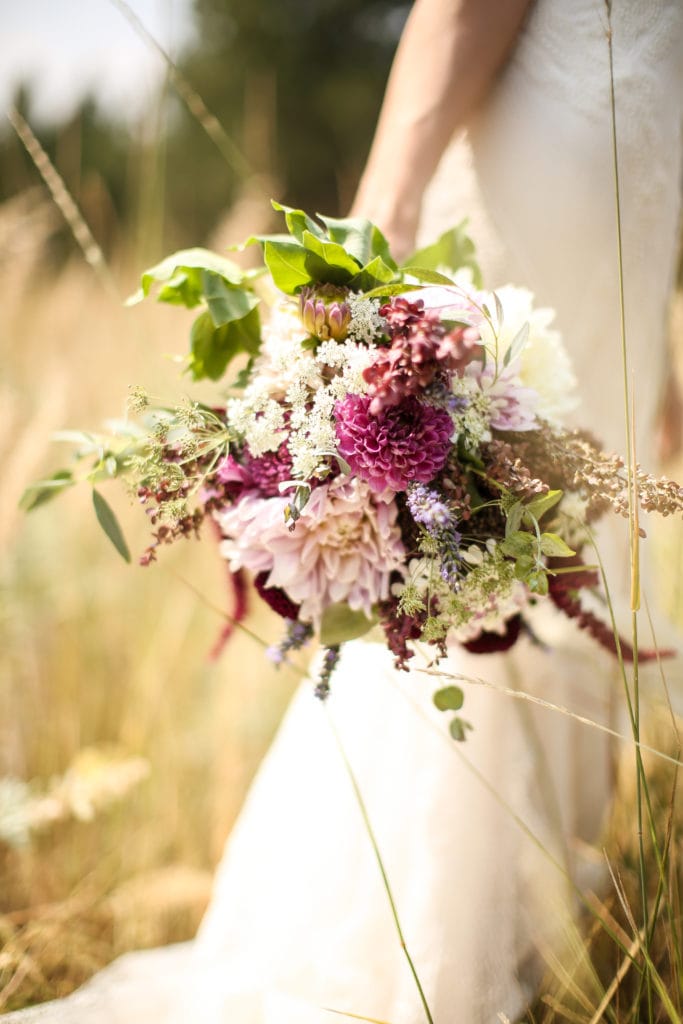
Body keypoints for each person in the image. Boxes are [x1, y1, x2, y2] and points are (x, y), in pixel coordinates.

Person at [5, 1, 683, 1021]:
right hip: (541, 165)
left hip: (622, 217)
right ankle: (417, 942)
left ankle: (521, 918)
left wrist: (657, 317)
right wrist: (387, 199)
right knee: (462, 561)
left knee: (551, 553)